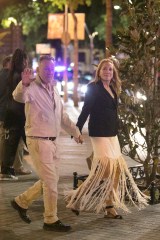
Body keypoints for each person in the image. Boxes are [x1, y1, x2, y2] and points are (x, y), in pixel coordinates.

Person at [65, 58, 149, 219]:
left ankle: (109, 206)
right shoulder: (93, 88)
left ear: (113, 72)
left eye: (110, 69)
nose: (107, 72)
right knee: (104, 171)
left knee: (116, 170)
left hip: (112, 133)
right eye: (104, 69)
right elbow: (85, 110)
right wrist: (77, 131)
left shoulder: (112, 87)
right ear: (99, 71)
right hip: (99, 134)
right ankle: (76, 198)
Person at [11, 55, 83, 232]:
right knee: (50, 181)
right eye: (46, 69)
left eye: (52, 69)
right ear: (38, 70)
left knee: (50, 180)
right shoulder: (31, 87)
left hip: (54, 142)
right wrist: (24, 83)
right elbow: (18, 96)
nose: (50, 72)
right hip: (38, 141)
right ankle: (50, 219)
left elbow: (62, 117)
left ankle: (22, 201)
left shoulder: (53, 88)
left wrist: (76, 132)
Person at [1, 49, 32, 179]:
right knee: (28, 142)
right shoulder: (21, 76)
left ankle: (8, 169)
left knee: (10, 142)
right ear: (24, 60)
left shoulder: (6, 74)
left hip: (7, 113)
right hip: (19, 114)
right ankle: (7, 170)